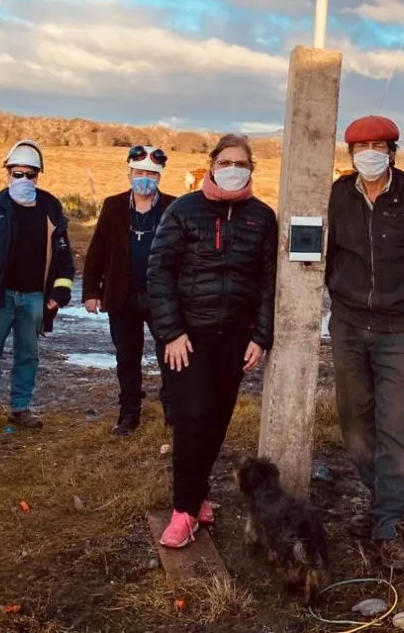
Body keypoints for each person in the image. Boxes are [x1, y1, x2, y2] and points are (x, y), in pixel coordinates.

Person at [325, 115, 404, 570]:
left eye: (379, 146)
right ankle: (378, 496)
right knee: (356, 418)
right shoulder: (339, 196)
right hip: (348, 324)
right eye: (362, 147)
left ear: (393, 150)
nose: (371, 154)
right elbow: (325, 251)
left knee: (399, 422)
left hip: (399, 327)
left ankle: (388, 522)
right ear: (351, 154)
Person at [148, 134, 277, 549]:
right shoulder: (183, 211)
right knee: (192, 419)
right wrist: (171, 332)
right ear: (212, 165)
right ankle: (184, 511)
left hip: (234, 340)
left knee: (217, 420)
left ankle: (199, 494)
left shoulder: (262, 217)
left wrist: (260, 335)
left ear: (251, 169)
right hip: (187, 338)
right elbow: (159, 272)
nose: (233, 168)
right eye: (226, 161)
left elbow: (268, 282)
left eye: (241, 162)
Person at [0, 140, 75, 434]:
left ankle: (20, 407)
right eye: (18, 173)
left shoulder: (51, 209)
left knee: (28, 356)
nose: (23, 179)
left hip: (35, 298)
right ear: (7, 174)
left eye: (30, 174)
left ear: (39, 175)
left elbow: (64, 255)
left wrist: (59, 294)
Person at [83, 144, 176, 435]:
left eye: (151, 173)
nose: (144, 178)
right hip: (121, 296)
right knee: (127, 357)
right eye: (139, 172)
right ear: (129, 173)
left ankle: (173, 412)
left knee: (170, 357)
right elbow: (97, 250)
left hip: (161, 298)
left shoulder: (174, 207)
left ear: (160, 176)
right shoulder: (113, 206)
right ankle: (129, 413)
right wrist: (90, 292)